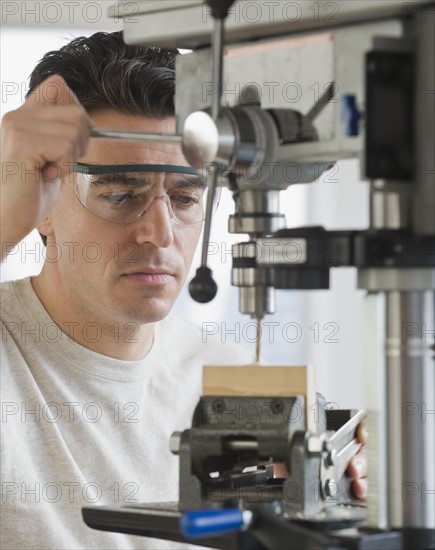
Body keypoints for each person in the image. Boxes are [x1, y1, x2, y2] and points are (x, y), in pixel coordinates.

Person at [0, 31, 366, 549]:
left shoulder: (231, 384)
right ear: (42, 203)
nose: (160, 233)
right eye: (121, 193)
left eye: (186, 196)